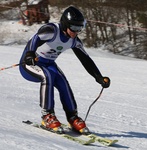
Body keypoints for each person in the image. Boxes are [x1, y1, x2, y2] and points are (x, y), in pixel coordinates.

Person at [19, 6, 110, 134]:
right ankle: (47, 116)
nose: (76, 32)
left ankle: (72, 117)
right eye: (74, 28)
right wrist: (29, 54)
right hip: (28, 64)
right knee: (48, 76)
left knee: (63, 82)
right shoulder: (51, 30)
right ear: (65, 24)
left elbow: (86, 60)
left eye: (79, 28)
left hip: (49, 64)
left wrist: (99, 77)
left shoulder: (74, 41)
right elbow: (35, 39)